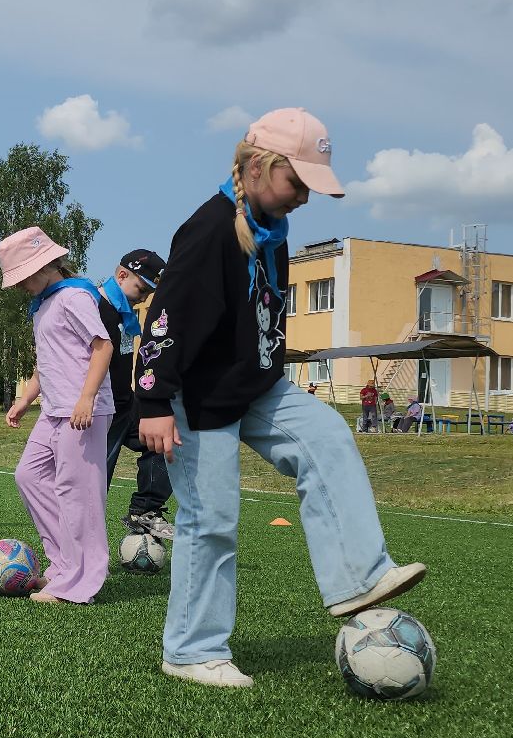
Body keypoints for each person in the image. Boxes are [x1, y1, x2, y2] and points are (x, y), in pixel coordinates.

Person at [137, 107, 427, 689]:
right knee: (211, 519)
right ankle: (191, 651)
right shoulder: (211, 228)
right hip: (201, 398)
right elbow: (166, 320)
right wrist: (153, 402)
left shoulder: (272, 230)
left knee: (328, 435)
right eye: (298, 183)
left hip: (259, 387)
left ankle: (360, 576)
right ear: (260, 166)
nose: (304, 198)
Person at [2, 227, 115, 605]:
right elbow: (47, 363)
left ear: (46, 265)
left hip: (82, 411)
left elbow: (102, 346)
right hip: (54, 411)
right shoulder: (45, 304)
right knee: (29, 476)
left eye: (22, 278)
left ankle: (81, 584)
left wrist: (87, 398)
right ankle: (65, 566)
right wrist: (25, 399)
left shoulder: (75, 297)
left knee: (78, 494)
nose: (19, 287)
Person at [96, 247, 175, 541]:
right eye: (141, 288)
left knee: (165, 441)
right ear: (121, 274)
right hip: (98, 413)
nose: (144, 297)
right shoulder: (93, 305)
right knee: (92, 489)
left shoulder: (125, 314)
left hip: (126, 405)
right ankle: (77, 561)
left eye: (149, 292)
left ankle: (144, 511)